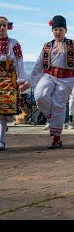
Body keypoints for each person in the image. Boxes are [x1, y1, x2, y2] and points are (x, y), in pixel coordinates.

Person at [21, 15, 74, 149]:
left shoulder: (72, 44)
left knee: (58, 105)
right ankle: (52, 118)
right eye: (55, 29)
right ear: (52, 31)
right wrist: (28, 83)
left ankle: (56, 139)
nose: (58, 32)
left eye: (60, 29)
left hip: (66, 78)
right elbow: (38, 66)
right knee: (39, 95)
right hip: (49, 76)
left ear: (65, 31)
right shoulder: (47, 46)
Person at [0, 16, 27, 151]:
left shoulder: (14, 43)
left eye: (4, 25)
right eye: (0, 25)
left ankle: (1, 140)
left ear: (8, 27)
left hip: (8, 79)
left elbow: (19, 62)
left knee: (4, 110)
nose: (2, 28)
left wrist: (21, 81)